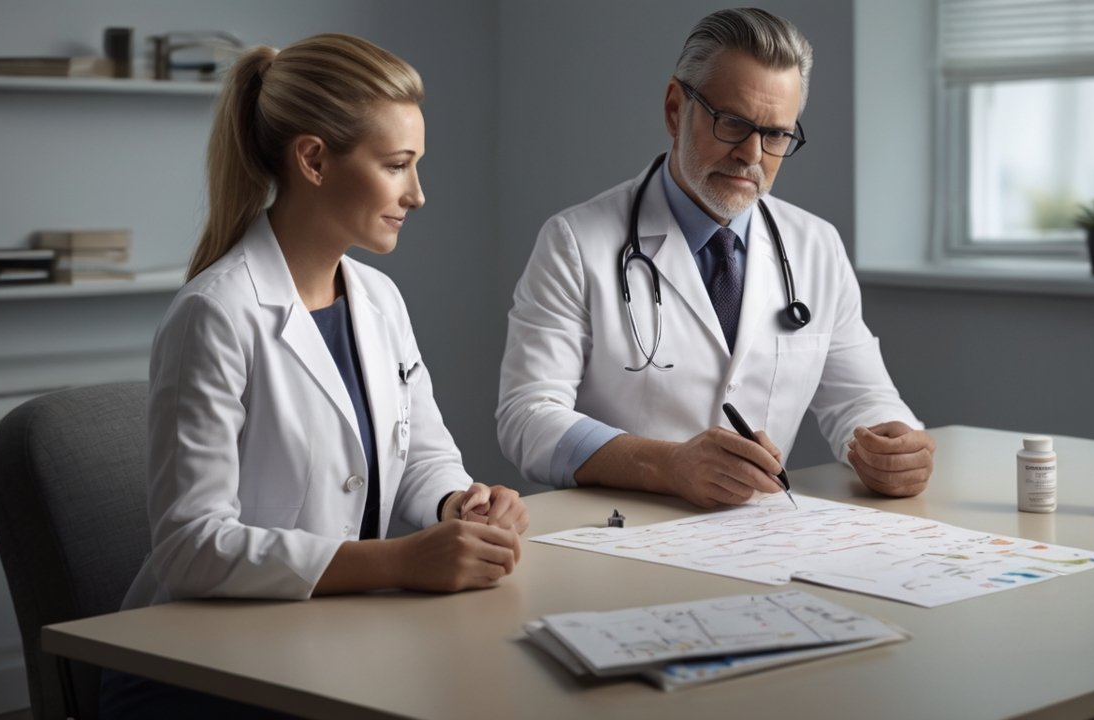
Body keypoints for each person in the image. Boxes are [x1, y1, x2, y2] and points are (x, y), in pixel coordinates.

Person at [103, 34, 526, 718]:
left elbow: (422, 455)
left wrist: (458, 506)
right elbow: (191, 549)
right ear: (313, 160)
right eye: (397, 166)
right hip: (205, 670)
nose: (417, 194)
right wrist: (402, 563)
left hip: (331, 636)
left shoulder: (380, 299)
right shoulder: (215, 315)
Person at [497, 8, 934, 509]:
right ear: (673, 109)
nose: (751, 154)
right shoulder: (575, 242)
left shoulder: (816, 246)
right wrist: (666, 464)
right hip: (620, 534)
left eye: (775, 135)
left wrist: (895, 447)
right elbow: (526, 418)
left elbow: (861, 398)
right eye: (732, 122)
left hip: (758, 539)